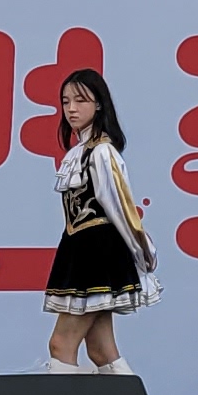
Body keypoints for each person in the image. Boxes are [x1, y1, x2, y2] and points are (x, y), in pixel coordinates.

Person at [44, 67, 157, 370]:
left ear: (98, 104)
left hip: (96, 251)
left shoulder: (102, 152)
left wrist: (142, 251)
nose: (71, 108)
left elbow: (121, 208)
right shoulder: (79, 152)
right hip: (80, 248)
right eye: (65, 101)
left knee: (61, 344)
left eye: (80, 100)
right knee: (101, 350)